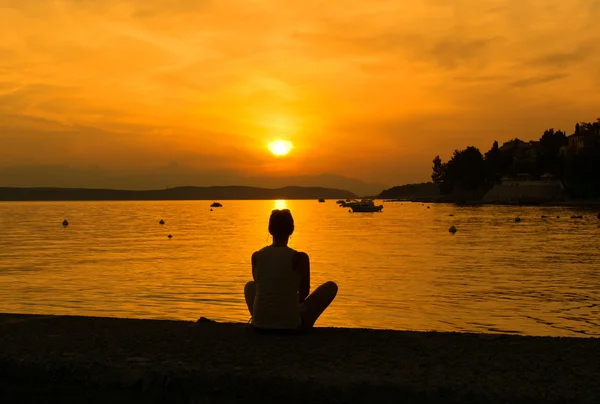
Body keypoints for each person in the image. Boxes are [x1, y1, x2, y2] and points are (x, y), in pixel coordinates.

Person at [244, 209, 338, 332]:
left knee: (250, 286)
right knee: (331, 287)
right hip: (291, 326)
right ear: (292, 230)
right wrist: (288, 302)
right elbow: (304, 292)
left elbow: (261, 287)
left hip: (259, 326)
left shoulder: (256, 256)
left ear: (270, 230)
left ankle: (262, 318)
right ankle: (285, 317)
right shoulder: (300, 258)